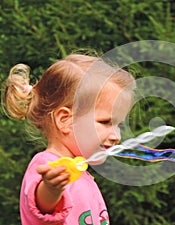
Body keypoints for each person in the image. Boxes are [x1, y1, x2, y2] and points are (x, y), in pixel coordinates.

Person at [2, 53, 136, 225]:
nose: (116, 136)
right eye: (105, 122)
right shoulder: (48, 167)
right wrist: (51, 189)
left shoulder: (80, 174)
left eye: (119, 125)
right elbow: (42, 207)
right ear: (65, 120)